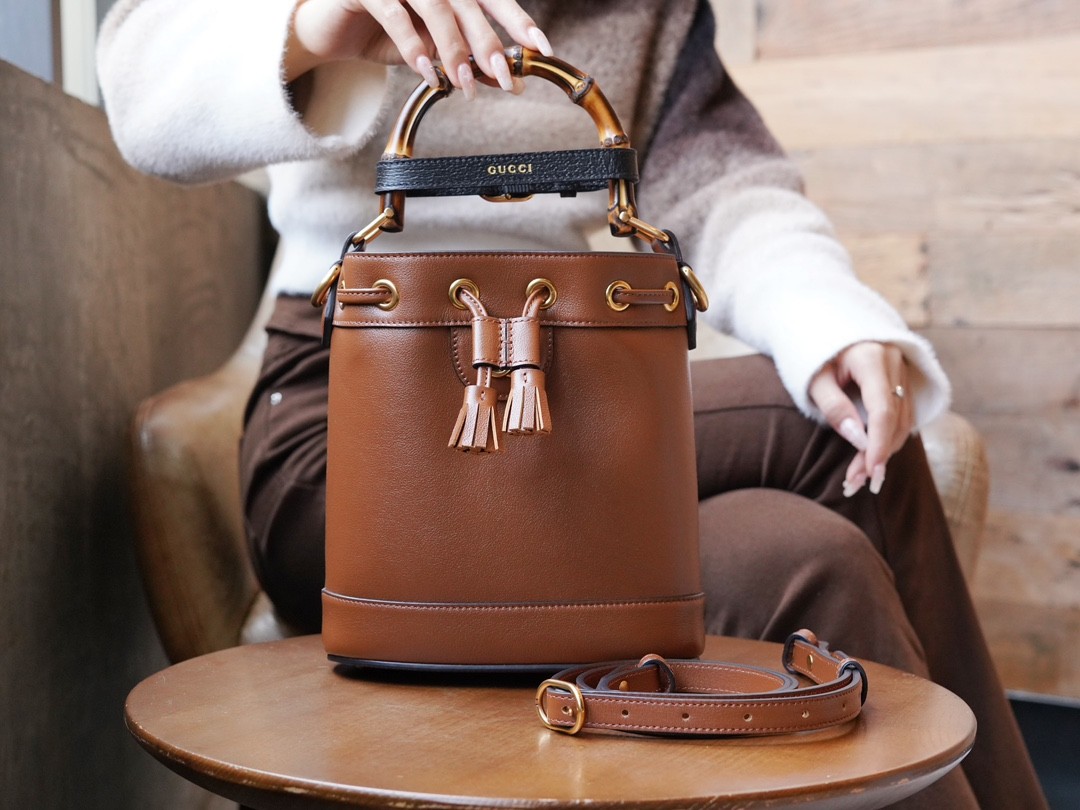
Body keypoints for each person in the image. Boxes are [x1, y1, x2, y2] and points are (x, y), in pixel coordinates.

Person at [97, 1, 1045, 807]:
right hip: (352, 428)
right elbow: (140, 92)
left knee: (812, 556)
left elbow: (721, 181)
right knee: (825, 438)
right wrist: (318, 23)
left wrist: (824, 322)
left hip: (566, 395)